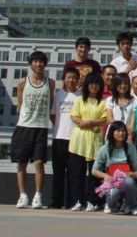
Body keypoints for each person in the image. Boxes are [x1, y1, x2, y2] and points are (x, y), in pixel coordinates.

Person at [12, 51, 56, 209]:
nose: (38, 64)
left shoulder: (50, 83)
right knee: (22, 163)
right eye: (35, 61)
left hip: (41, 127)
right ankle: (22, 195)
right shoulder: (22, 82)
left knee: (39, 162)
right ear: (30, 64)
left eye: (41, 61)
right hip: (24, 127)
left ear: (45, 64)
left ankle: (38, 196)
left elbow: (51, 105)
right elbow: (19, 105)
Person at [68, 72, 107, 211]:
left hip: (95, 141)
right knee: (77, 172)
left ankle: (92, 201)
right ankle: (77, 201)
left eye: (96, 84)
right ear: (86, 85)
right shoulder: (79, 100)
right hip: (79, 141)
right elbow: (75, 117)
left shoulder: (103, 102)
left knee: (94, 173)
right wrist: (91, 125)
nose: (94, 86)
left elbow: (105, 119)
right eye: (91, 83)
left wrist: (89, 122)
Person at [92, 121, 137, 215]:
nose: (121, 133)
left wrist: (134, 174)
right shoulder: (104, 149)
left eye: (123, 131)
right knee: (114, 192)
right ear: (112, 132)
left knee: (130, 182)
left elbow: (136, 169)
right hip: (112, 181)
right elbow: (94, 170)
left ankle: (132, 206)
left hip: (126, 180)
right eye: (118, 131)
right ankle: (110, 205)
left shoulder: (131, 148)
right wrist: (105, 176)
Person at [50, 67, 81, 209]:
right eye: (68, 77)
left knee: (73, 173)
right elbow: (53, 115)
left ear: (78, 80)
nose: (71, 80)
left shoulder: (81, 96)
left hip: (75, 139)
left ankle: (71, 202)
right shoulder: (58, 95)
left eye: (74, 77)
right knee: (58, 172)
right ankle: (56, 201)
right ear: (64, 79)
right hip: (59, 137)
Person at [106, 73, 136, 143]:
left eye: (125, 84)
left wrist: (129, 131)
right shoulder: (110, 99)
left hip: (127, 134)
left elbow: (133, 120)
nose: (123, 86)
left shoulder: (134, 100)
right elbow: (109, 119)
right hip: (113, 133)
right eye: (120, 84)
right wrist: (122, 129)